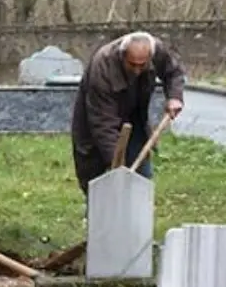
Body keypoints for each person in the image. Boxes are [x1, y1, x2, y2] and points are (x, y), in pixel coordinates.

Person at [71, 31, 186, 196]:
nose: (138, 70)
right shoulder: (103, 64)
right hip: (97, 123)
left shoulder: (156, 50)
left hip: (134, 120)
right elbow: (102, 124)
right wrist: (117, 163)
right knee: (98, 184)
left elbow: (173, 72)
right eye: (132, 65)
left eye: (143, 65)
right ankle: (100, 218)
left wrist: (175, 97)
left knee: (140, 180)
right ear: (122, 56)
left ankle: (136, 216)